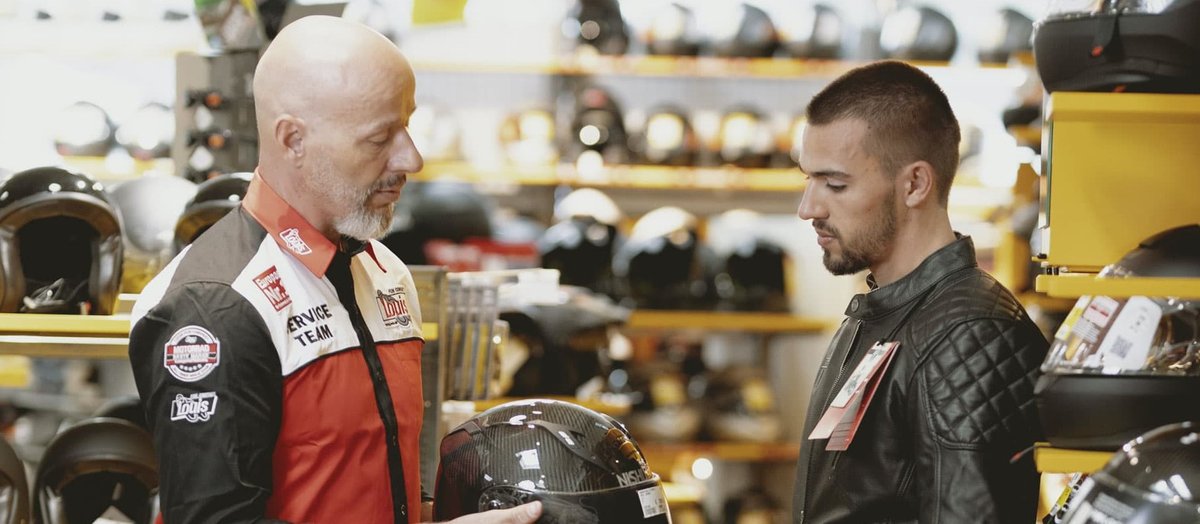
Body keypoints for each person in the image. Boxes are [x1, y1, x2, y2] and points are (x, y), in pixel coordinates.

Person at [127, 16, 541, 524]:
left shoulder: (384, 270)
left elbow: (377, 491)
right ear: (293, 140)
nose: (412, 158)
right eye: (380, 137)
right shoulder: (215, 305)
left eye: (408, 125)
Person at [791, 60, 1049, 523]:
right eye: (807, 179)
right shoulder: (886, 310)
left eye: (835, 184)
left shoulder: (969, 336)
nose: (808, 208)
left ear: (914, 184)